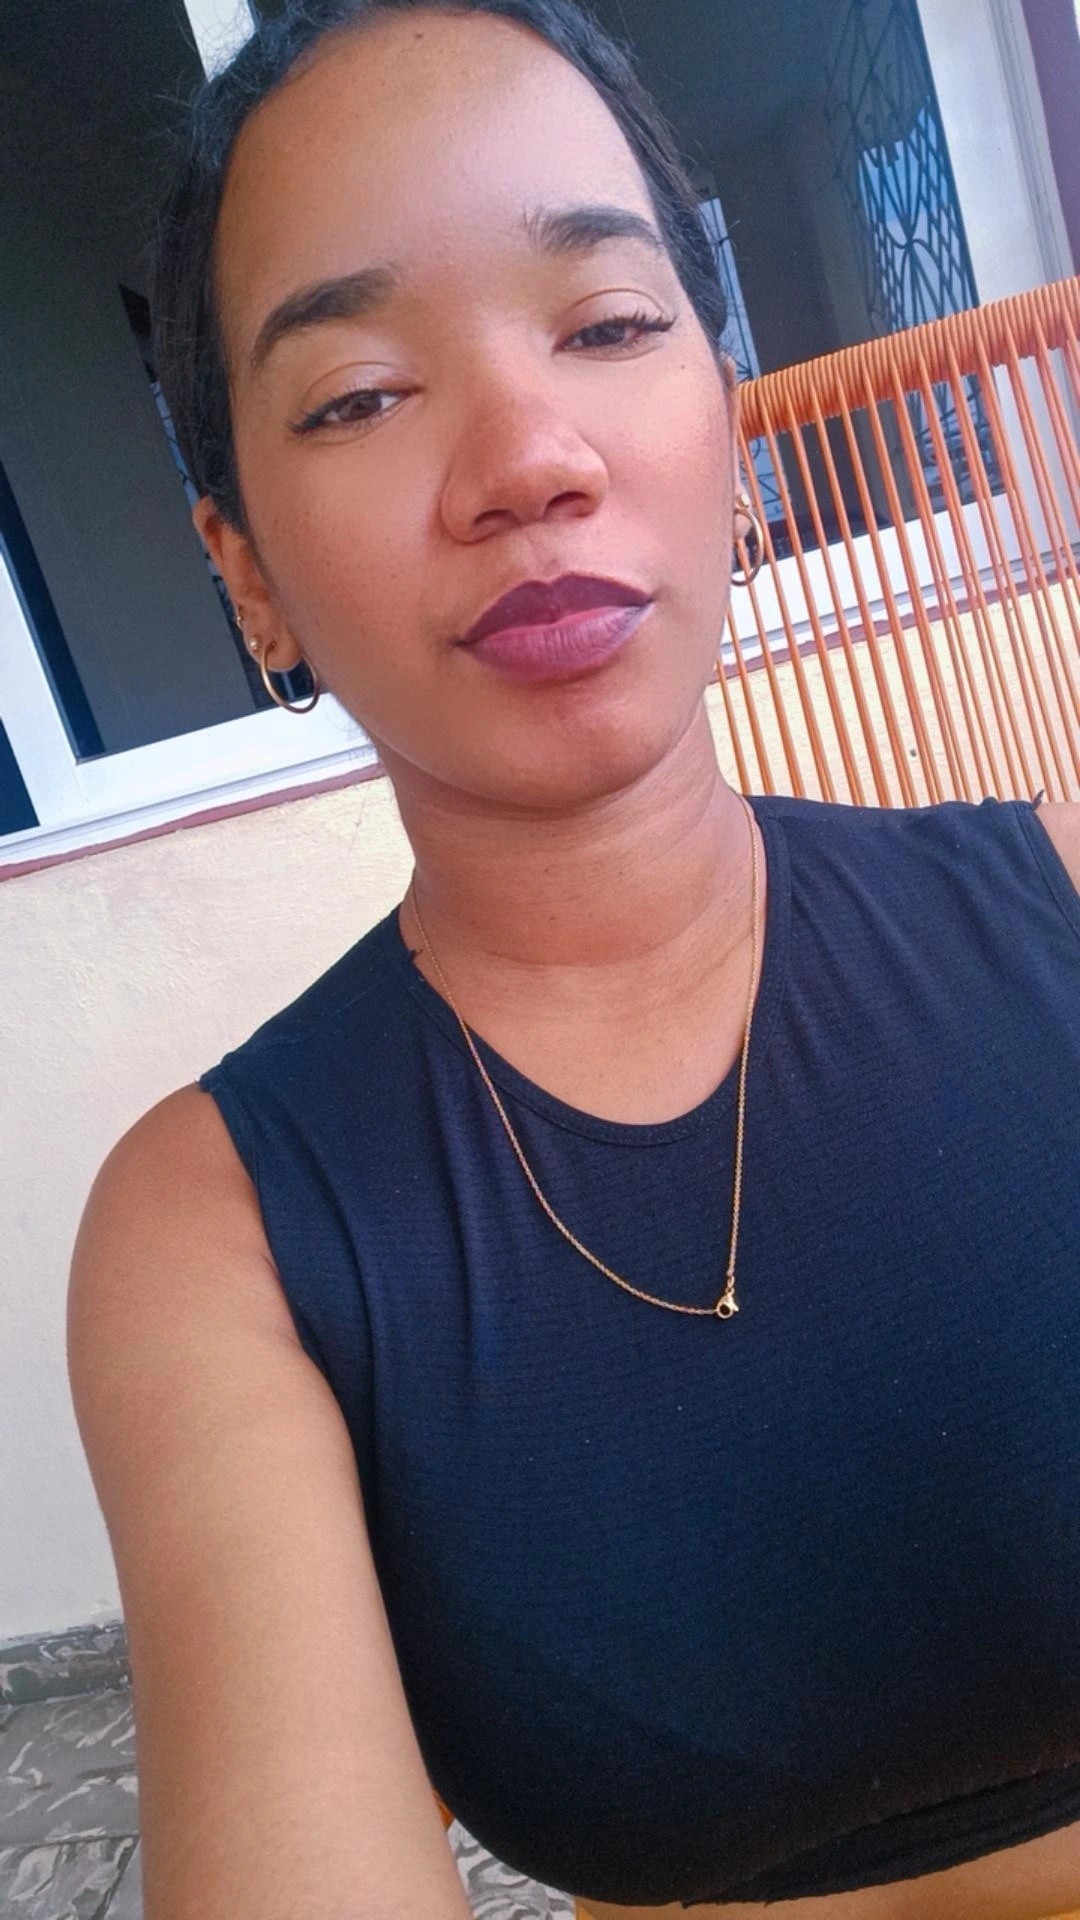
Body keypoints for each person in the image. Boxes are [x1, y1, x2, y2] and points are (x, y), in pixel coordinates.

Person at [66, 3, 1080, 1917]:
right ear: (248, 572)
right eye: (360, 395)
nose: (527, 461)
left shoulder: (1065, 901)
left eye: (607, 325)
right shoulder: (219, 1237)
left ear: (731, 419)